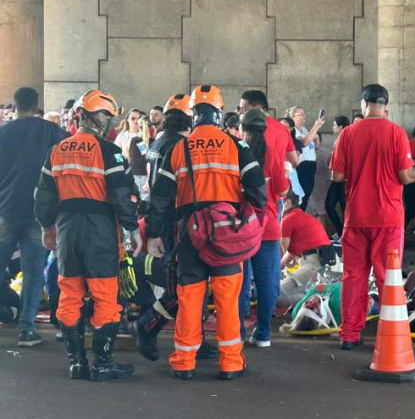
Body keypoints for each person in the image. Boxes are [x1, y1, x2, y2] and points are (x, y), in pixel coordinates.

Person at [146, 84, 267, 380]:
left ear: (193, 115)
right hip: (225, 231)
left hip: (189, 233)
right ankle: (231, 363)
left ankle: (183, 362)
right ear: (219, 112)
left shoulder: (178, 148)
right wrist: (244, 215)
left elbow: (160, 198)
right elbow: (259, 193)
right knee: (227, 299)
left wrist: (154, 234)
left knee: (189, 297)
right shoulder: (237, 146)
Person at [35, 89, 139, 381]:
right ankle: (103, 365)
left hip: (67, 230)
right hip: (100, 232)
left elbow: (43, 196)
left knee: (69, 296)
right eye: (107, 115)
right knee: (106, 296)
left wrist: (47, 227)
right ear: (96, 116)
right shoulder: (109, 151)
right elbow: (121, 196)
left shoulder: (57, 151)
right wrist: (132, 227)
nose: (109, 121)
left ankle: (76, 363)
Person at [329, 84, 415, 350]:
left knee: (353, 277)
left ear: (364, 104)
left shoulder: (347, 134)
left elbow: (337, 177)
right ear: (385, 105)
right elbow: (407, 176)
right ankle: (388, 337)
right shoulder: (396, 133)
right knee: (387, 278)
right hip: (388, 218)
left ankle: (349, 335)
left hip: (355, 218)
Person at [0, 87, 68, 347]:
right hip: (39, 213)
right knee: (32, 273)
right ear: (36, 105)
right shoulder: (50, 131)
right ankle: (26, 331)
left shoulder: (3, 132)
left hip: (5, 211)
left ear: (14, 105)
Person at [238, 109, 290, 348]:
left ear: (242, 128)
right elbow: (281, 191)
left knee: (238, 282)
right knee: (266, 282)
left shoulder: (235, 153)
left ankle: (235, 333)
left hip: (239, 226)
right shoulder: (273, 156)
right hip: (267, 226)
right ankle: (264, 335)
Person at [277, 193, 332, 308]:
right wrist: (281, 264)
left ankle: (314, 298)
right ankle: (313, 295)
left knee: (275, 296)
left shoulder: (287, 220)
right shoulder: (300, 217)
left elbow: (280, 251)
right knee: (280, 290)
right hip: (323, 264)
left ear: (288, 203)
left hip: (313, 263)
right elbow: (293, 251)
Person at [239, 90, 298, 170]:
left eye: (244, 109)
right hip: (280, 180)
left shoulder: (247, 127)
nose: (241, 112)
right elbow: (294, 161)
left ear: (258, 107)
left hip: (255, 179)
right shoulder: (283, 128)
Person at [289, 106, 323, 210]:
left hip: (310, 166)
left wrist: (315, 136)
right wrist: (316, 127)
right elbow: (303, 143)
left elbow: (314, 143)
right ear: (293, 116)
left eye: (304, 114)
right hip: (301, 166)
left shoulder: (304, 129)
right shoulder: (293, 130)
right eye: (300, 114)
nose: (304, 117)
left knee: (306, 196)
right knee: (300, 197)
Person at [324, 116, 350, 238]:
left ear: (341, 127)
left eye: (334, 125)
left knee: (345, 208)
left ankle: (345, 235)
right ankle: (340, 231)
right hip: (335, 178)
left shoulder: (349, 139)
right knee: (329, 206)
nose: (333, 127)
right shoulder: (337, 141)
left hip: (345, 179)